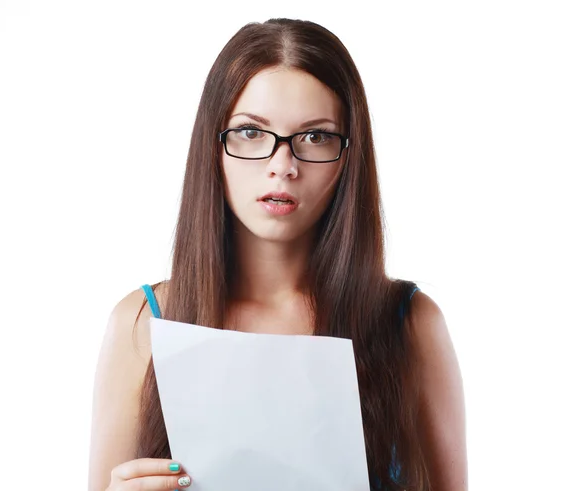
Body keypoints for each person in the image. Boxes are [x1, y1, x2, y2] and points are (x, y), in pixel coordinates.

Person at [88, 18, 467, 491]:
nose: (282, 166)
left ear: (350, 155)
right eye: (250, 132)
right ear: (214, 146)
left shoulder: (409, 323)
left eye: (315, 137)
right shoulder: (143, 322)